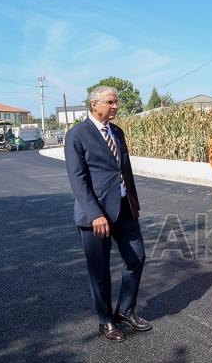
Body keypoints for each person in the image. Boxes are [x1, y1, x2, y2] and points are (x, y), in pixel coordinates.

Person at [64, 85, 151, 342]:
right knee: (99, 270)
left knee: (137, 258)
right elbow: (78, 179)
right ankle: (105, 321)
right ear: (95, 104)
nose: (116, 106)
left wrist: (133, 202)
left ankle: (125, 310)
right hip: (96, 214)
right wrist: (95, 214)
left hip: (124, 209)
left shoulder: (117, 132)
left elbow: (124, 170)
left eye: (116, 102)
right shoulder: (77, 135)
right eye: (111, 102)